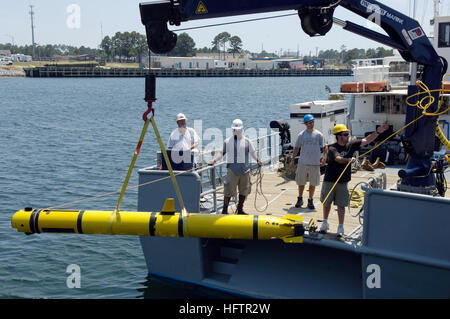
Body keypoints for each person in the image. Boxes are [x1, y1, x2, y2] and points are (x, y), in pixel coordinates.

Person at [320, 123, 389, 237]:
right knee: (327, 204)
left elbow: (366, 140)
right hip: (330, 180)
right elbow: (338, 159)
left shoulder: (351, 145)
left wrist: (378, 132)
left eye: (348, 134)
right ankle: (325, 222)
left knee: (341, 205)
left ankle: (340, 227)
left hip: (343, 181)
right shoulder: (332, 148)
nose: (348, 136)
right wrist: (349, 160)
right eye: (345, 134)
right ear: (339, 136)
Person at [208, 119, 262, 214]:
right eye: (234, 130)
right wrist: (214, 160)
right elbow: (221, 152)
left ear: (241, 130)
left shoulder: (247, 141)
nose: (235, 131)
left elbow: (253, 153)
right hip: (232, 170)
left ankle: (240, 209)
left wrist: (258, 160)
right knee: (228, 190)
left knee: (244, 191)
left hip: (245, 170)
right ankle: (225, 210)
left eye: (237, 129)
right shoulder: (227, 141)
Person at [290, 114, 328, 210]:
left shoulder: (319, 134)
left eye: (312, 122)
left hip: (314, 163)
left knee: (313, 183)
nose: (311, 124)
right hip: (303, 162)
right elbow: (296, 148)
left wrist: (324, 158)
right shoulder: (301, 135)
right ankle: (300, 198)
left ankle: (310, 200)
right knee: (301, 182)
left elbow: (325, 147)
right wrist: (293, 159)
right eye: (309, 123)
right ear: (305, 124)